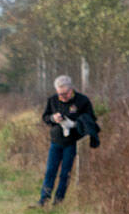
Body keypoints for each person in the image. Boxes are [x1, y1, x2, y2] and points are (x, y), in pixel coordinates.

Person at [38, 75, 99, 206]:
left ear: (71, 89)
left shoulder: (83, 101)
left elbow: (91, 119)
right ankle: (44, 200)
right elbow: (45, 117)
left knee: (65, 173)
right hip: (56, 141)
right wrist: (53, 118)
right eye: (59, 94)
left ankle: (58, 201)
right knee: (50, 171)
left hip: (72, 143)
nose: (62, 97)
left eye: (65, 94)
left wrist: (77, 123)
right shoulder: (53, 100)